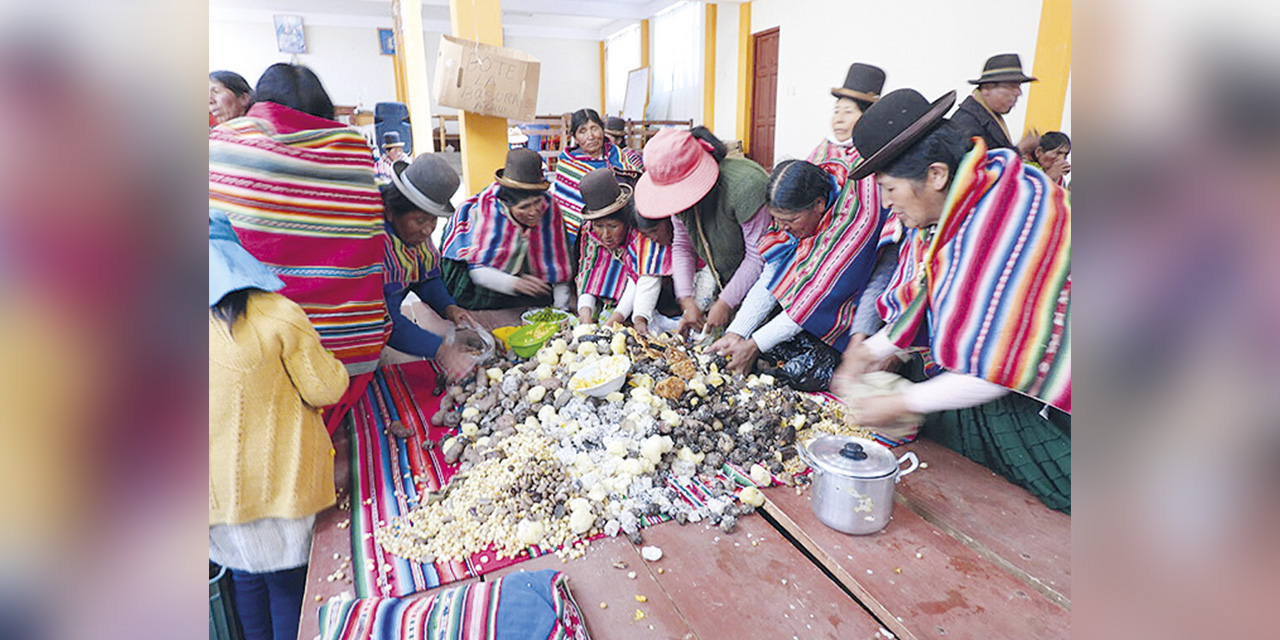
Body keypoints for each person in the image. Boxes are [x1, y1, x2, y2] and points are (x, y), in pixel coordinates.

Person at [831, 88, 1071, 512]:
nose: (888, 207)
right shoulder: (975, 190)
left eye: (890, 190)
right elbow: (934, 291)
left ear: (937, 175)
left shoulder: (1002, 217)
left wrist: (901, 402)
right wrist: (869, 350)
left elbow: (996, 367)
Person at [209, 63, 388, 432]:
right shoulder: (354, 150)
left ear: (255, 101)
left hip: (256, 356)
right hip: (349, 349)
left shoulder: (223, 146)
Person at [208, 210, 349, 640]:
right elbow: (326, 388)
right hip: (279, 488)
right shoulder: (277, 314)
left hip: (212, 496)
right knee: (289, 587)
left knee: (247, 580)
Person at [710, 160, 895, 385]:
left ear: (819, 204)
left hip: (861, 323)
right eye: (777, 220)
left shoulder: (848, 226)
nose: (783, 228)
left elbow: (812, 299)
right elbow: (772, 275)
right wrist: (736, 333)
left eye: (790, 220)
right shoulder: (792, 221)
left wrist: (753, 345)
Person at [634, 127, 771, 337]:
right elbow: (682, 246)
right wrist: (687, 301)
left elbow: (758, 256)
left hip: (769, 291)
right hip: (731, 286)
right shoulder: (678, 202)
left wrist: (725, 302)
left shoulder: (745, 186)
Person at [379, 154, 482, 377]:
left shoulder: (416, 239)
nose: (428, 230)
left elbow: (426, 279)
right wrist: (440, 350)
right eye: (420, 220)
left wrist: (449, 307)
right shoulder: (373, 246)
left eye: (433, 220)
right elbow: (385, 322)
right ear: (389, 211)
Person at [440, 147, 574, 310]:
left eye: (537, 203)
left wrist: (562, 309)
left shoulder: (549, 207)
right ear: (507, 206)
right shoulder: (490, 212)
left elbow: (560, 264)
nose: (533, 212)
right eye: (524, 207)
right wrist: (515, 283)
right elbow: (478, 271)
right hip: (475, 278)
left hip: (524, 274)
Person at [574, 169, 676, 332]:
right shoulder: (590, 231)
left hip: (654, 296)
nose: (605, 235)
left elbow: (640, 277)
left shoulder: (639, 234)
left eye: (613, 226)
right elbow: (589, 270)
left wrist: (615, 320)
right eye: (599, 226)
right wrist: (585, 316)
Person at [550, 108, 644, 249]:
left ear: (602, 129)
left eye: (594, 128)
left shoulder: (618, 154)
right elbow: (569, 207)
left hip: (621, 230)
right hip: (581, 237)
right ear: (575, 136)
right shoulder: (568, 163)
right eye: (583, 131)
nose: (591, 136)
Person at [949, 53, 1038, 152]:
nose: (1018, 93)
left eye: (1018, 86)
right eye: (1012, 86)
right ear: (987, 88)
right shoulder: (968, 123)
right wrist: (1021, 149)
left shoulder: (984, 116)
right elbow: (974, 165)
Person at [807, 63, 885, 166]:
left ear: (867, 117)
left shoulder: (877, 154)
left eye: (848, 112)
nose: (839, 119)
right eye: (836, 111)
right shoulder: (822, 151)